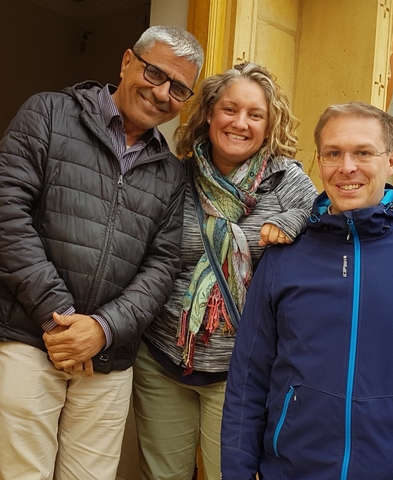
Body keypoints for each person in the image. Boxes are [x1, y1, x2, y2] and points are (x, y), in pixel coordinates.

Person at [221, 101, 393, 479]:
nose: (346, 167)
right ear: (319, 161)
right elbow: (248, 380)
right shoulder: (285, 255)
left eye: (363, 152)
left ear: (392, 161)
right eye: (333, 153)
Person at [0, 25, 203, 480]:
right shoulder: (49, 113)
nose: (162, 93)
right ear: (126, 62)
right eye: (155, 73)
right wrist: (60, 319)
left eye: (179, 88)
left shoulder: (172, 173)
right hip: (27, 336)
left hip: (109, 354)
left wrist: (102, 329)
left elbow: (162, 267)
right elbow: (4, 214)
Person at [133, 62, 316, 480]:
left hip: (239, 371)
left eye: (255, 115)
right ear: (209, 114)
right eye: (230, 109)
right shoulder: (176, 176)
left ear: (270, 126)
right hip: (163, 356)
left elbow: (320, 212)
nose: (240, 123)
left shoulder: (287, 182)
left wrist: (291, 222)